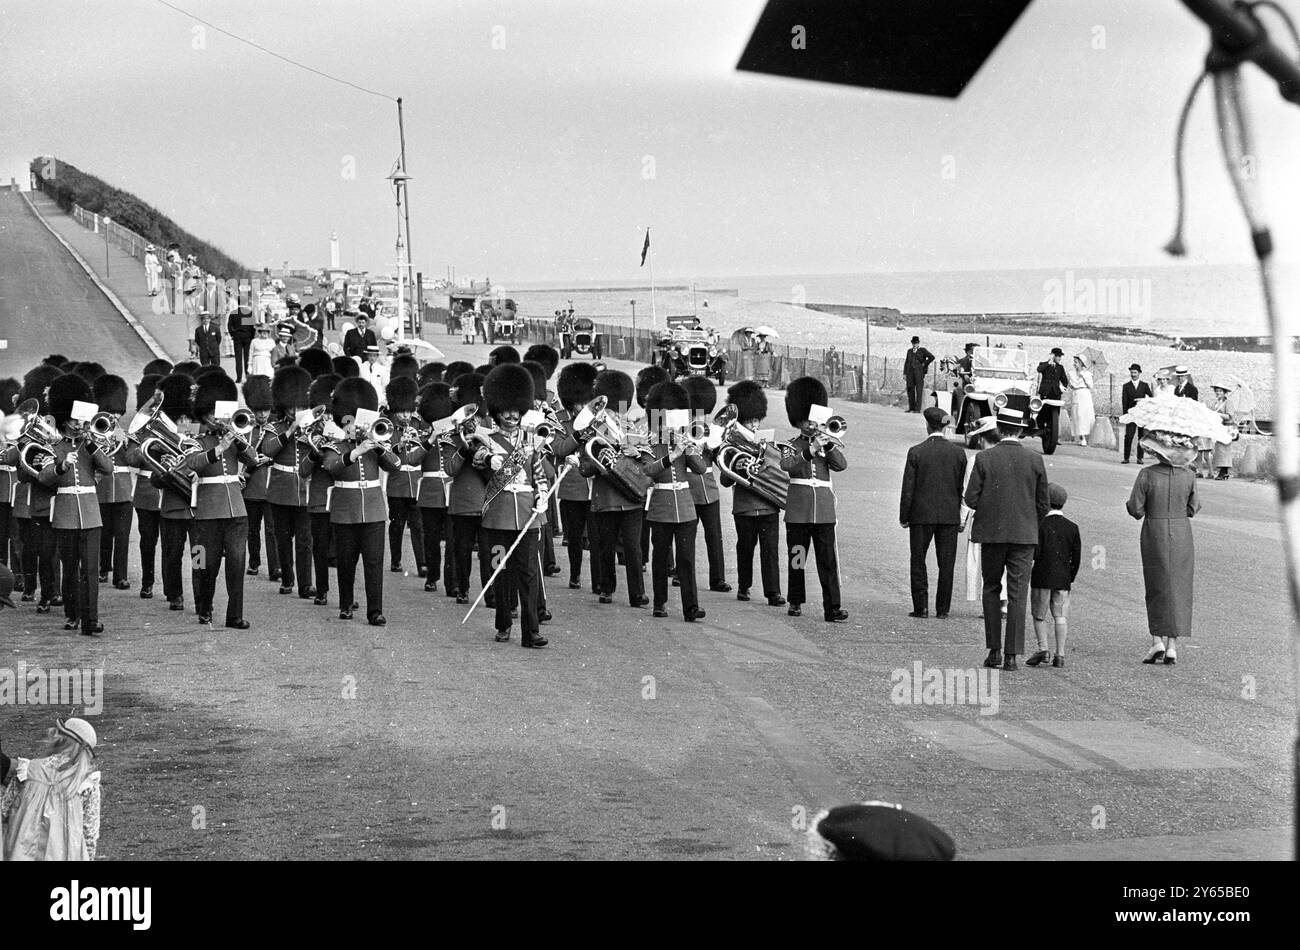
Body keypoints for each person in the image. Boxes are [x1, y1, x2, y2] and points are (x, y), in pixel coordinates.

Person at [963, 402, 1050, 671]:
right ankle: (1013, 655)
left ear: (999, 429)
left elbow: (971, 499)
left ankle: (994, 650)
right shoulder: (1035, 460)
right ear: (1021, 431)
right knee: (1017, 593)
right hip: (1024, 535)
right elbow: (1043, 504)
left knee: (991, 588)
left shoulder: (984, 459)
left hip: (991, 534)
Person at [475, 364, 550, 647]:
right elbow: (478, 456)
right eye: (506, 411)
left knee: (529, 575)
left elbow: (539, 474)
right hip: (498, 517)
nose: (511, 416)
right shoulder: (487, 439)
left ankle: (531, 632)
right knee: (500, 572)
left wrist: (542, 495)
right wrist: (488, 459)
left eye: (516, 411)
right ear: (497, 411)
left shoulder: (530, 441)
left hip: (527, 516)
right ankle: (503, 623)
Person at [321, 378, 402, 625]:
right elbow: (330, 467)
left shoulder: (376, 444)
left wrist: (377, 447)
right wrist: (354, 453)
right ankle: (346, 604)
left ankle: (375, 611)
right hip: (346, 510)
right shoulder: (334, 445)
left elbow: (395, 466)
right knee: (346, 562)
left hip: (374, 510)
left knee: (374, 562)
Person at [183, 374, 258, 629]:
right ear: (205, 415)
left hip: (236, 509)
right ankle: (204, 609)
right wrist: (218, 448)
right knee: (206, 565)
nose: (218, 418)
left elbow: (253, 460)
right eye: (213, 413)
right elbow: (191, 464)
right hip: (208, 512)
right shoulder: (195, 441)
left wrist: (236, 438)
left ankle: (234, 615)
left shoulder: (234, 437)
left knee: (237, 565)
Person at [39, 374, 112, 636]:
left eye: (81, 420)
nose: (78, 424)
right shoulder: (54, 447)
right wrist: (62, 465)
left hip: (91, 515)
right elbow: (45, 476)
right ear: (64, 420)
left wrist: (90, 443)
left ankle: (91, 620)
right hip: (67, 515)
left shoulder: (91, 445)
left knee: (90, 570)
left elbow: (108, 468)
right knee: (70, 570)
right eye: (74, 420)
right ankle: (73, 614)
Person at [1127, 428, 1200, 665]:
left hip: (1154, 531)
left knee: (1156, 584)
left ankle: (1156, 640)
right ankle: (1172, 646)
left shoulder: (1146, 474)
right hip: (1181, 532)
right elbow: (1193, 508)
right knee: (1179, 587)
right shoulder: (1189, 475)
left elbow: (1136, 509)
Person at [780, 376, 848, 623]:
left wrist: (828, 446)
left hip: (824, 513)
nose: (811, 425)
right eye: (807, 420)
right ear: (799, 421)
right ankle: (795, 601)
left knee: (828, 561)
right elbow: (788, 465)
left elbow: (841, 465)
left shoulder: (827, 444)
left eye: (813, 420)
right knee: (798, 557)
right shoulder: (790, 445)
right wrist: (810, 450)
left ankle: (833, 607)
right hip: (799, 512)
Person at [579, 370, 649, 608]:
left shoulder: (635, 429)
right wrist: (600, 463)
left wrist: (635, 452)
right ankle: (606, 589)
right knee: (605, 547)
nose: (612, 416)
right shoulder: (593, 433)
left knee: (633, 548)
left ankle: (637, 593)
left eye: (615, 411)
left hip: (630, 497)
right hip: (606, 497)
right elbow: (584, 468)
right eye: (607, 412)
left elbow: (648, 463)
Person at [643, 381, 708, 621]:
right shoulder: (652, 443)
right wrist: (671, 456)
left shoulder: (686, 442)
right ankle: (659, 603)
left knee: (686, 559)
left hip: (685, 508)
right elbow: (648, 470)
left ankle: (691, 607)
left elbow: (701, 469)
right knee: (660, 558)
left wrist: (688, 448)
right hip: (661, 508)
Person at [719, 380, 785, 606]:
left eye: (757, 420)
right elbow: (725, 480)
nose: (755, 425)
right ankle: (743, 586)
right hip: (745, 506)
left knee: (770, 551)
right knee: (745, 549)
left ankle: (773, 592)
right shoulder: (732, 444)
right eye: (750, 420)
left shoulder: (767, 442)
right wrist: (736, 467)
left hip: (768, 503)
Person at [899, 407, 967, 619]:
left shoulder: (916, 451)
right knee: (946, 563)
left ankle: (921, 607)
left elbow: (908, 487)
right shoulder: (958, 453)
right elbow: (961, 487)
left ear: (927, 425)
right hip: (949, 515)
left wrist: (904, 516)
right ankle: (943, 609)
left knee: (918, 560)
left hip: (921, 515)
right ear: (945, 427)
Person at [1, 717, 101, 861]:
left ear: (58, 738)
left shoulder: (27, 771)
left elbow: (5, 810)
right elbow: (90, 834)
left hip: (21, 853)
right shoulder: (86, 785)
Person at [261, 367, 315, 598]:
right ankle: (287, 579)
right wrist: (291, 430)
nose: (297, 411)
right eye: (293, 407)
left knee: (305, 541)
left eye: (300, 407)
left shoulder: (313, 427)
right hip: (281, 489)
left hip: (304, 489)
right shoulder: (275, 428)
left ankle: (305, 584)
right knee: (283, 538)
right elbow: (268, 450)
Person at [680, 376, 730, 593]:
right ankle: (680, 573)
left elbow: (719, 459)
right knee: (685, 536)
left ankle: (717, 578)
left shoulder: (712, 429)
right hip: (688, 486)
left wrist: (716, 445)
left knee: (714, 535)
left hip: (708, 487)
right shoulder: (681, 429)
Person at [554, 363, 599, 592]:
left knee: (597, 538)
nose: (582, 406)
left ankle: (598, 580)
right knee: (574, 537)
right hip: (572, 486)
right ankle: (575, 574)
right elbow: (560, 449)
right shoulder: (559, 420)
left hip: (595, 485)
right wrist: (579, 435)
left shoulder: (597, 417)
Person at [1026, 483, 1081, 668]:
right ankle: (1061, 654)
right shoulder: (1072, 527)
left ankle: (1043, 648)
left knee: (1039, 615)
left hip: (1042, 576)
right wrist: (1069, 576)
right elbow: (1077, 557)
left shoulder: (1040, 525)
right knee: (1060, 616)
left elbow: (1035, 553)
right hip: (1063, 578)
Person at [410, 382, 455, 593]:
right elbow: (412, 460)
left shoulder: (456, 436)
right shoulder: (422, 436)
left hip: (452, 491)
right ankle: (432, 576)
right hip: (429, 492)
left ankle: (451, 581)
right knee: (431, 538)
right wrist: (430, 440)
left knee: (453, 540)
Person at [90, 374, 132, 590]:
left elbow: (135, 459)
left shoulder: (125, 434)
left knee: (123, 536)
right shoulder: (95, 432)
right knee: (104, 534)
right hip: (102, 490)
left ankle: (121, 575)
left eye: (118, 412)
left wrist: (125, 442)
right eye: (112, 411)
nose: (115, 416)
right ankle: (102, 568)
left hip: (123, 491)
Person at [384, 377, 426, 577]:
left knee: (418, 526)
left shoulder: (417, 424)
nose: (407, 415)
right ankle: (396, 559)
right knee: (397, 524)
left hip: (416, 483)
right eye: (403, 411)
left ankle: (422, 563)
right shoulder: (387, 427)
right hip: (397, 483)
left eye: (409, 411)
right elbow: (387, 454)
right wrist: (400, 444)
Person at [240, 374, 279, 582]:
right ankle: (254, 562)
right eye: (259, 410)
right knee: (252, 530)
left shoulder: (275, 429)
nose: (263, 414)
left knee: (272, 530)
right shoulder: (246, 429)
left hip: (271, 486)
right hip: (252, 486)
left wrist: (269, 459)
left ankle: (275, 568)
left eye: (266, 410)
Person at [1034, 348, 1069, 455]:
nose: (1059, 358)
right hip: (1045, 393)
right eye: (1057, 356)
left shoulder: (1060, 367)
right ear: (1053, 355)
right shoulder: (1044, 364)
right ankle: (1041, 428)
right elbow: (1039, 369)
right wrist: (1049, 362)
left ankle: (1053, 436)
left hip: (1055, 394)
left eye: (1060, 356)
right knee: (1042, 413)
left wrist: (1062, 388)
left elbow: (1065, 381)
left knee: (1054, 415)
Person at [1121, 364, 1153, 464]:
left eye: (1135, 373)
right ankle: (1126, 457)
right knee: (1129, 436)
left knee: (1141, 436)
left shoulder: (1144, 385)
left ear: (1139, 373)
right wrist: (1125, 414)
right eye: (1132, 373)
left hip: (1142, 414)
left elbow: (1151, 399)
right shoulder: (1126, 386)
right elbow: (1124, 401)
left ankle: (1140, 458)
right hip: (1131, 414)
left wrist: (1143, 400)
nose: (1133, 374)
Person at [1207, 380, 1236, 479]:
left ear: (1224, 393)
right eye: (1216, 391)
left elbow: (1229, 416)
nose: (1218, 393)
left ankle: (1224, 472)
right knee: (1219, 450)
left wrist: (1218, 414)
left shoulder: (1228, 403)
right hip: (1219, 428)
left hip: (1227, 427)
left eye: (1220, 391)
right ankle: (1223, 472)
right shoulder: (1216, 403)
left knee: (1224, 450)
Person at [1066, 355, 1096, 447]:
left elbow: (1090, 385)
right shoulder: (1071, 373)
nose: (1074, 364)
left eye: (1076, 362)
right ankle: (1080, 436)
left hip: (1085, 394)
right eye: (1074, 362)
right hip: (1076, 394)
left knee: (1085, 415)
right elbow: (1070, 384)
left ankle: (1086, 437)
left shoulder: (1087, 374)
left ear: (1081, 363)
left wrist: (1083, 376)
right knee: (1077, 415)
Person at [903, 336, 935, 413]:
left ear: (918, 343)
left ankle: (917, 409)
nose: (914, 345)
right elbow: (907, 362)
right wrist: (904, 373)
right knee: (910, 390)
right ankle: (911, 408)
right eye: (913, 343)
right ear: (912, 343)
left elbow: (931, 357)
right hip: (910, 373)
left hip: (919, 373)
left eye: (916, 343)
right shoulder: (909, 351)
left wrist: (924, 364)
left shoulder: (922, 350)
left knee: (919, 390)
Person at [227, 305, 255, 382]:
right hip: (248, 337)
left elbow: (229, 325)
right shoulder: (249, 313)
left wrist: (233, 334)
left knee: (238, 359)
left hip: (237, 337)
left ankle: (239, 378)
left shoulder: (233, 313)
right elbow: (253, 326)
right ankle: (247, 376)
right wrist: (252, 336)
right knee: (247, 358)